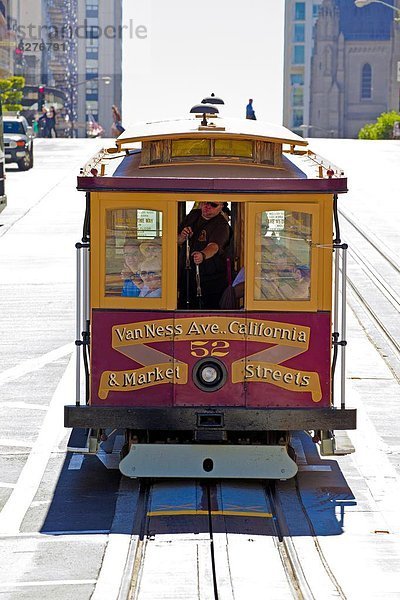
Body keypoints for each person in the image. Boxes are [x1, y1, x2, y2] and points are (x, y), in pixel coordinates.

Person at [178, 201, 231, 309]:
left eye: (213, 205)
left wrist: (203, 255)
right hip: (186, 275)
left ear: (221, 207)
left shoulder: (222, 225)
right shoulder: (193, 215)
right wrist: (183, 236)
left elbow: (214, 247)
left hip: (210, 280)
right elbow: (176, 239)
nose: (208, 206)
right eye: (206, 202)